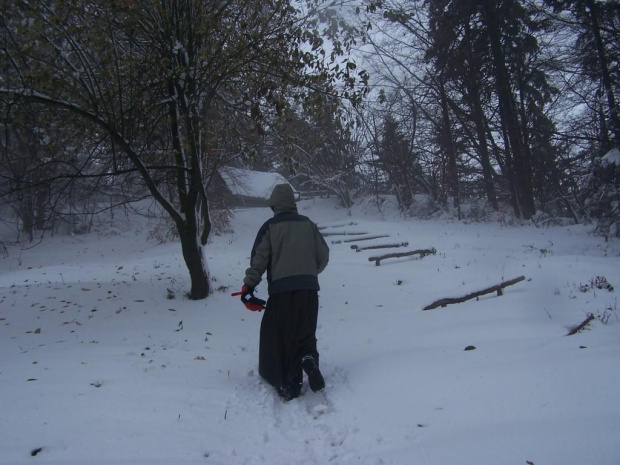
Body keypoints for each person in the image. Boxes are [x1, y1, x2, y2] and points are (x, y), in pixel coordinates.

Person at [239, 183, 330, 401]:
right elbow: (324, 256)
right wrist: (308, 273)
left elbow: (259, 260)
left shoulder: (270, 227)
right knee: (305, 332)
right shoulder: (308, 225)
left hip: (282, 292)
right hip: (308, 290)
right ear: (292, 203)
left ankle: (290, 384)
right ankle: (308, 359)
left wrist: (248, 286)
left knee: (280, 337)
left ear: (274, 205)